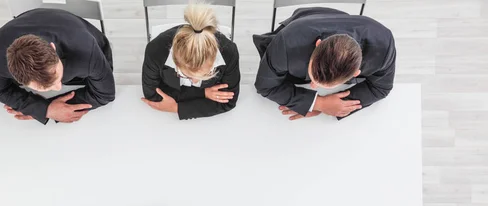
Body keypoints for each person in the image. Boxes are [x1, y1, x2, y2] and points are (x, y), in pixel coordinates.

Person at [253, 7, 396, 120]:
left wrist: (333, 105)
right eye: (313, 77)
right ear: (317, 44)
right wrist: (317, 103)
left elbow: (381, 88)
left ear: (355, 73)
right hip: (303, 26)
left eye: (321, 85)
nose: (313, 86)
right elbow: (265, 85)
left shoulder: (384, 46)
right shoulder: (287, 42)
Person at [0, 8, 115, 125]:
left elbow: (105, 94)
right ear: (16, 77)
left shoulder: (87, 50)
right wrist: (46, 110)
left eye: (56, 77)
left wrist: (46, 108)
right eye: (47, 87)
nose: (58, 87)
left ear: (52, 48)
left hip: (83, 50)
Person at [141, 4, 240, 120]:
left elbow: (228, 102)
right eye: (185, 75)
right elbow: (152, 95)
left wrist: (177, 108)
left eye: (206, 74)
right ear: (176, 61)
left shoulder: (229, 52)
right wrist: (203, 93)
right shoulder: (155, 51)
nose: (195, 81)